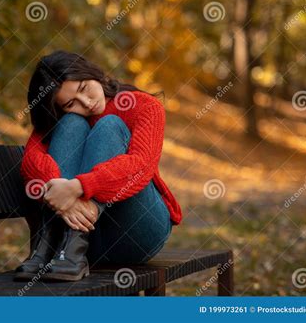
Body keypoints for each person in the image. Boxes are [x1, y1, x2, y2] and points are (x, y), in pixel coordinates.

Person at [14, 50, 182, 282]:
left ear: (92, 73)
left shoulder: (144, 106)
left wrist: (78, 187)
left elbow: (141, 166)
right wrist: (62, 201)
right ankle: (56, 246)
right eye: (71, 102)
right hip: (82, 245)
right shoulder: (63, 117)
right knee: (71, 124)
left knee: (109, 125)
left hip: (138, 231)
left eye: (84, 88)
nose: (87, 103)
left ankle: (70, 245)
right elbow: (31, 160)